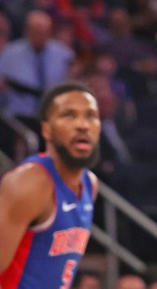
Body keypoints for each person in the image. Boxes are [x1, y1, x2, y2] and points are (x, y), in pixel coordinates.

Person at [0, 81, 100, 289]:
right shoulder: (30, 183)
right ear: (46, 129)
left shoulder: (90, 184)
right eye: (69, 115)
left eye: (90, 115)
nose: (82, 125)